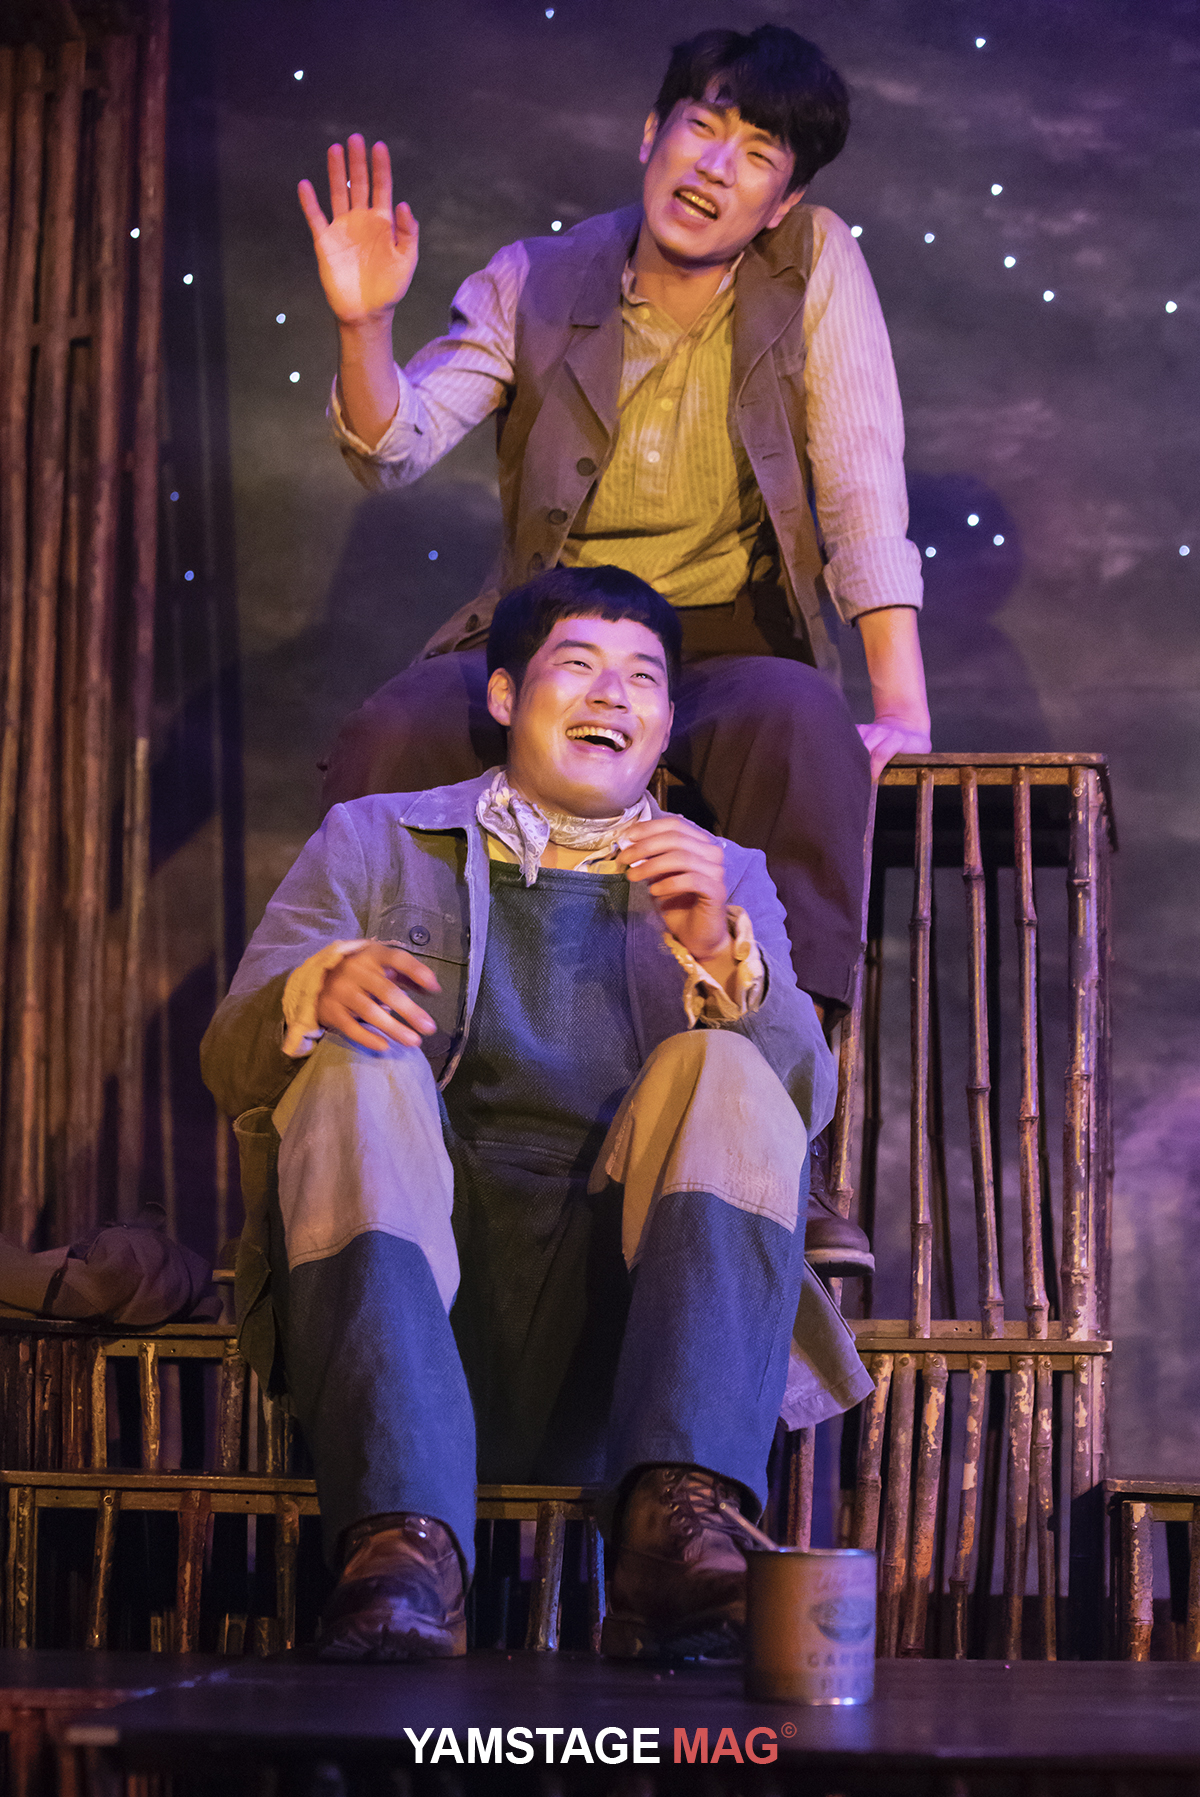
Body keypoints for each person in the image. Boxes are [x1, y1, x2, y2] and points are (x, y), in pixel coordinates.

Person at [299, 23, 931, 1273]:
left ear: (783, 200)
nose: (716, 166)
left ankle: (778, 1138)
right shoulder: (535, 278)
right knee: (395, 728)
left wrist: (899, 698)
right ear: (652, 134)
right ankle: (376, 1107)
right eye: (702, 125)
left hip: (726, 644)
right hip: (558, 625)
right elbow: (396, 445)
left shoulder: (813, 265)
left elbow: (862, 478)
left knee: (802, 726)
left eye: (758, 153)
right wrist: (365, 329)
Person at [201, 566, 872, 1663]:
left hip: (629, 1328)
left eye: (643, 678)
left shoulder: (724, 874)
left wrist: (722, 954)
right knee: (356, 1065)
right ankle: (401, 1542)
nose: (612, 694)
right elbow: (231, 1061)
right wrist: (308, 993)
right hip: (414, 1302)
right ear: (507, 695)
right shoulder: (374, 840)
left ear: (665, 724)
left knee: (731, 1066)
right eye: (579, 665)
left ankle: (675, 1527)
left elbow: (803, 1100)